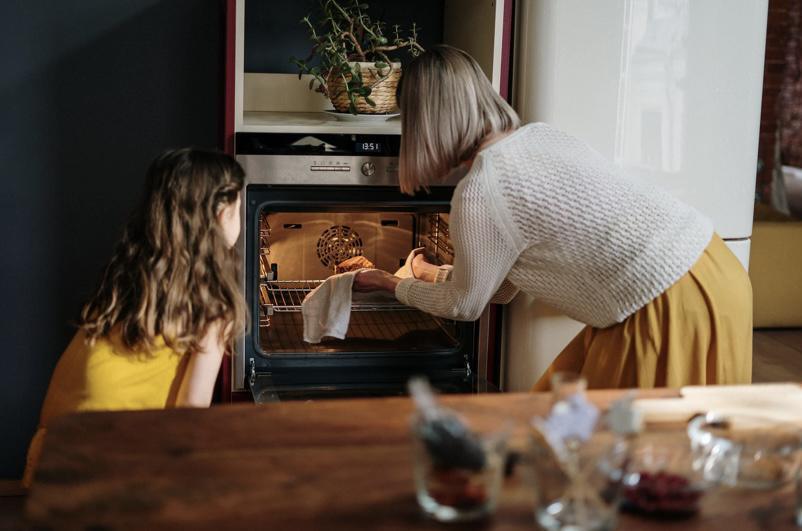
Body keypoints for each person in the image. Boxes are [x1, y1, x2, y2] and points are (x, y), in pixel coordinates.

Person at [354, 45, 752, 391]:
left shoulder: (480, 191)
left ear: (424, 122)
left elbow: (465, 306)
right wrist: (423, 272)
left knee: (630, 453)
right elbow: (501, 287)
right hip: (714, 270)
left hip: (664, 307)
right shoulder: (541, 137)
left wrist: (388, 284)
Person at [22, 148, 246, 487]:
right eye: (240, 207)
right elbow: (192, 407)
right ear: (220, 213)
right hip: (122, 457)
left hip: (59, 446)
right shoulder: (213, 304)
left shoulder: (129, 272)